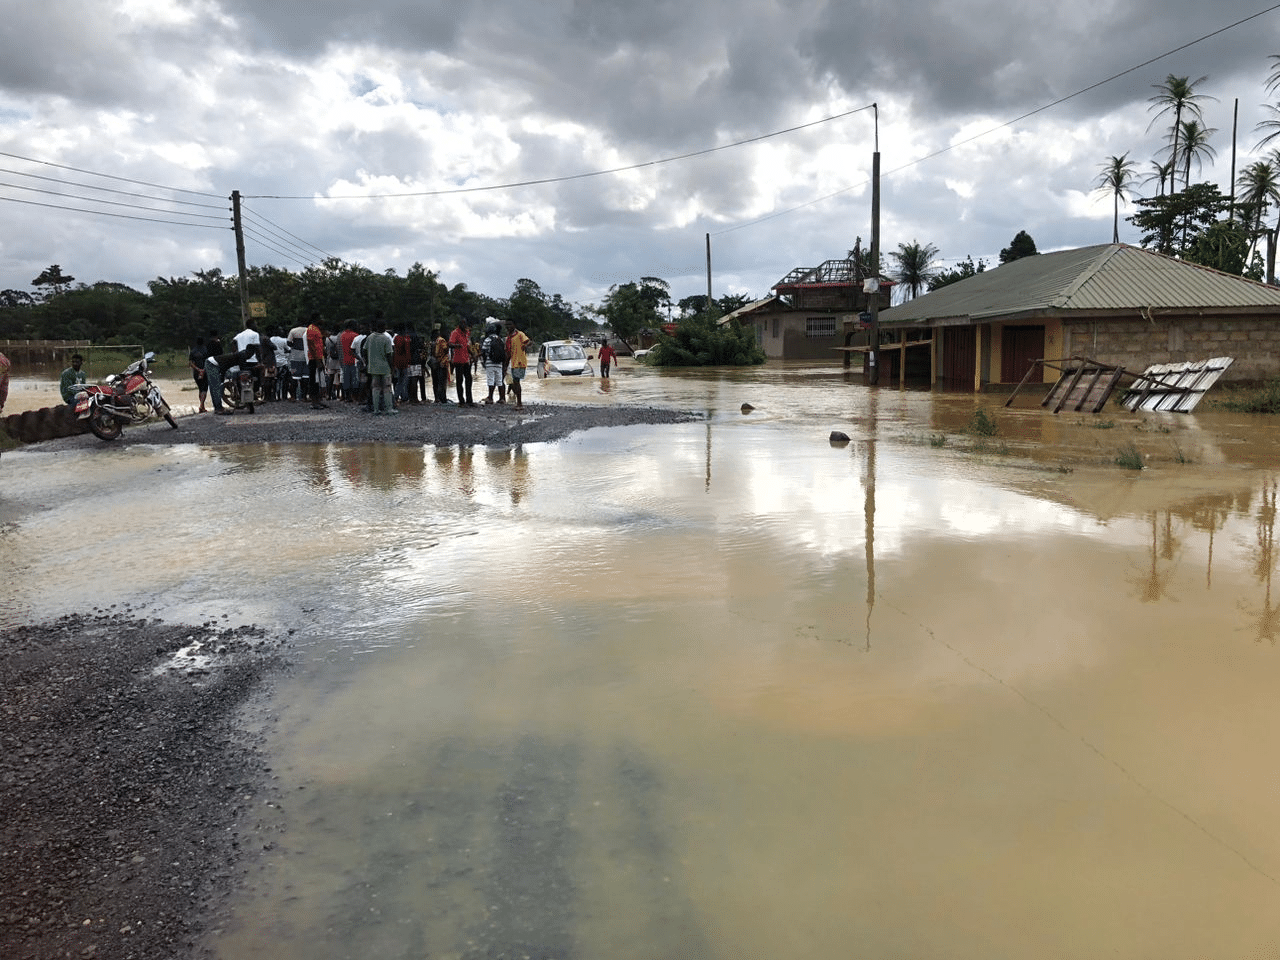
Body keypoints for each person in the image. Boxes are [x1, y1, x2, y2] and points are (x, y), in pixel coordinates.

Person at [204, 343, 258, 415]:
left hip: (220, 366)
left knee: (227, 380)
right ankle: (218, 408)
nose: (252, 356)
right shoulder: (243, 355)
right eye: (253, 354)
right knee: (215, 387)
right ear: (251, 352)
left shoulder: (243, 353)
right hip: (212, 364)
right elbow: (243, 368)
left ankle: (221, 405)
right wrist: (255, 367)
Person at [363, 323, 396, 414]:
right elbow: (389, 354)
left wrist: (368, 361)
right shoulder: (386, 339)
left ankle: (376, 409)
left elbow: (364, 350)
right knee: (387, 388)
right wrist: (392, 367)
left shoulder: (370, 338)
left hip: (373, 367)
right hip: (385, 367)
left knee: (375, 388)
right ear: (384, 328)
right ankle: (389, 409)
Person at [504, 319, 531, 410]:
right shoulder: (508, 338)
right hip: (513, 363)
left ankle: (519, 403)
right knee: (514, 383)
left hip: (519, 362)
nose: (508, 326)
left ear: (514, 325)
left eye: (510, 324)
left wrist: (525, 346)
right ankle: (518, 402)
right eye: (507, 325)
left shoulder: (520, 334)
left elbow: (529, 342)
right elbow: (508, 353)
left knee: (516, 382)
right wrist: (505, 365)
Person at [480, 318, 507, 404]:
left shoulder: (487, 340)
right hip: (499, 364)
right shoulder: (500, 340)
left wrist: (484, 362)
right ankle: (502, 398)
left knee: (490, 380)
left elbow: (484, 352)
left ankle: (490, 398)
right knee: (500, 381)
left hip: (490, 363)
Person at [449, 318, 474, 407]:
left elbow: (467, 345)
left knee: (469, 380)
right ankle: (461, 401)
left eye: (465, 323)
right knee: (459, 381)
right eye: (462, 323)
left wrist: (472, 354)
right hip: (458, 361)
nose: (464, 325)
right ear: (459, 324)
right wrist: (457, 345)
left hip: (466, 360)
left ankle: (469, 400)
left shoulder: (466, 333)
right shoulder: (455, 333)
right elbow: (450, 344)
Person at [306, 313, 328, 410]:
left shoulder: (317, 329)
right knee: (314, 381)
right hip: (314, 359)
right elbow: (311, 345)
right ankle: (314, 402)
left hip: (319, 358)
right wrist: (317, 359)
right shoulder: (311, 329)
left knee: (319, 380)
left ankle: (318, 400)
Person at [339, 320, 359, 402]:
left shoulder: (342, 335)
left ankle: (347, 396)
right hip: (354, 360)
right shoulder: (355, 335)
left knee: (346, 379)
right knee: (354, 379)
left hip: (344, 360)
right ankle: (354, 397)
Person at [430, 325, 450, 403]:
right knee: (442, 382)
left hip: (435, 363)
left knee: (435, 381)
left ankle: (437, 398)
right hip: (442, 362)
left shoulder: (433, 342)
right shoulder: (441, 340)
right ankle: (443, 399)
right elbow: (444, 350)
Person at [188, 337, 209, 412]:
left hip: (196, 373)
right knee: (204, 389)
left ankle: (202, 406)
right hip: (205, 372)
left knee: (200, 388)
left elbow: (190, 364)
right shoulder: (206, 350)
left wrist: (198, 370)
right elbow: (208, 362)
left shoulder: (193, 351)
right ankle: (201, 406)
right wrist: (203, 370)